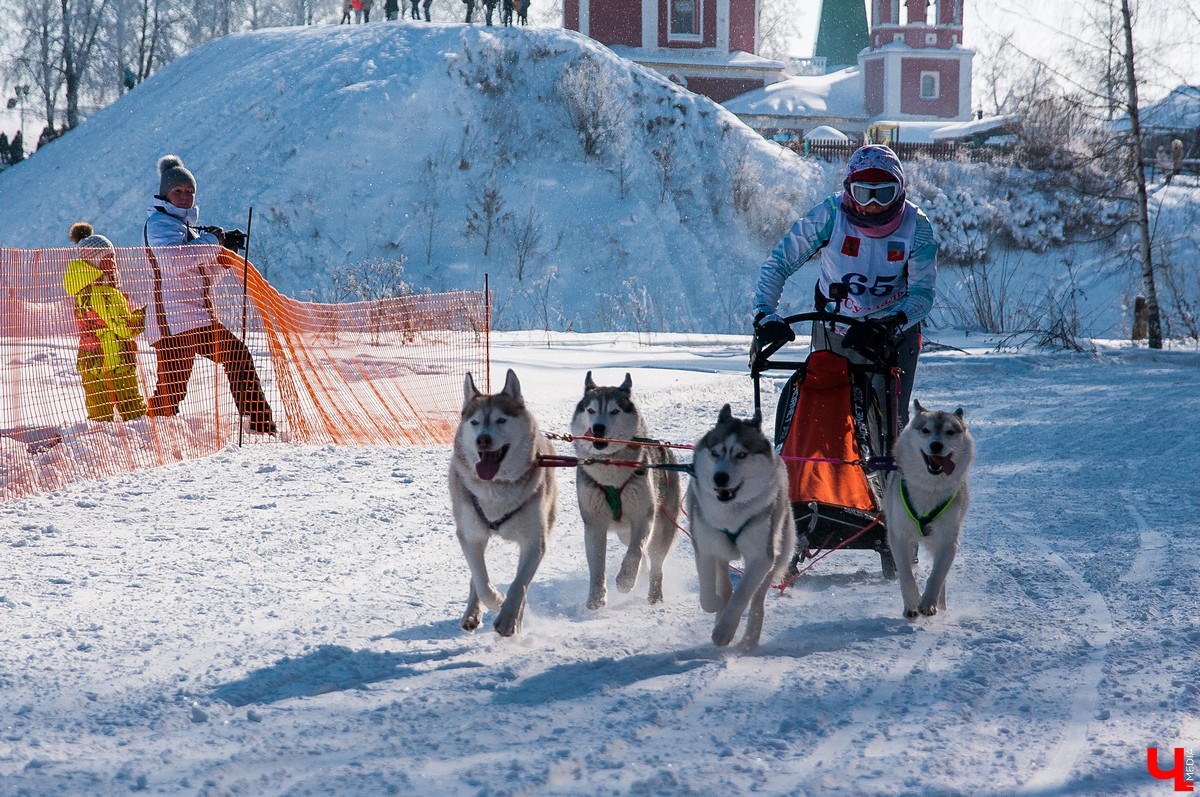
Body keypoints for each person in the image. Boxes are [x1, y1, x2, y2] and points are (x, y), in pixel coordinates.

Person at [753, 144, 937, 428]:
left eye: (884, 193)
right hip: (835, 327)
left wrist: (890, 325)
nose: (873, 203)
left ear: (900, 191)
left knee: (888, 425)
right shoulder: (829, 214)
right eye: (863, 193)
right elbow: (779, 262)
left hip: (892, 334)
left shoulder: (917, 226)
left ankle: (888, 467)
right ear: (849, 190)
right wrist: (765, 312)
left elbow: (922, 294)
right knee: (826, 418)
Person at [143, 154, 277, 435]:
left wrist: (224, 254)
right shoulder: (159, 223)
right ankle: (149, 433)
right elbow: (173, 262)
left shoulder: (185, 228)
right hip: (174, 321)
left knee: (229, 359)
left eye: (189, 192)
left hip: (192, 317)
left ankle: (261, 424)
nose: (184, 197)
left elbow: (199, 273)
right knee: (178, 385)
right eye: (178, 191)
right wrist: (213, 242)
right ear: (165, 193)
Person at [64, 223, 148, 422]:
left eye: (113, 259)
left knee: (99, 419)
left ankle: (96, 450)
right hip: (115, 361)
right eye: (107, 259)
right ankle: (141, 448)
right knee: (133, 412)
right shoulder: (106, 293)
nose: (113, 264)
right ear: (94, 262)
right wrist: (146, 314)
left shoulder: (81, 290)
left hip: (90, 361)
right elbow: (125, 328)